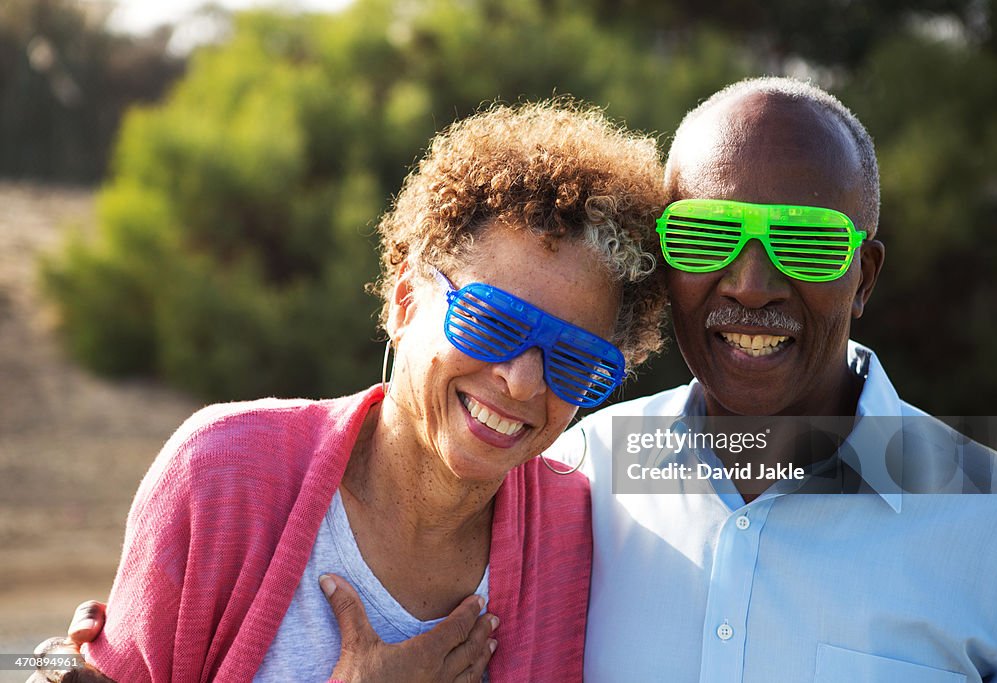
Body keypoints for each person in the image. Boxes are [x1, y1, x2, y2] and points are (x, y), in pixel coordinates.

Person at [33, 100, 668, 683]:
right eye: (493, 321)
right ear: (404, 300)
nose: (524, 380)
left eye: (578, 360)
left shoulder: (579, 541)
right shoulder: (223, 475)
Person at [563, 77, 997, 682]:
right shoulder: (576, 476)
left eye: (806, 242)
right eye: (707, 235)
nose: (751, 285)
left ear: (865, 278)